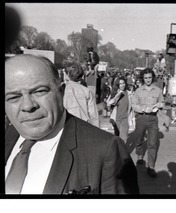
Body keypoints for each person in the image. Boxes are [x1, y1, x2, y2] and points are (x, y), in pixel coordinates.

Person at [5, 54, 139, 194]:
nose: (27, 105)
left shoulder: (106, 150)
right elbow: (94, 116)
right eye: (14, 97)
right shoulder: (9, 135)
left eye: (39, 91)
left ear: (61, 92)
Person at [131, 68, 164, 177]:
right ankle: (140, 155)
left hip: (153, 119)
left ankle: (151, 167)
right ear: (142, 78)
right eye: (145, 78)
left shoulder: (158, 90)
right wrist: (144, 109)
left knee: (152, 143)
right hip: (141, 117)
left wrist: (160, 105)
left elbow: (162, 102)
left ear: (152, 77)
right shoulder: (138, 91)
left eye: (149, 77)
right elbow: (134, 105)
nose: (148, 80)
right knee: (139, 138)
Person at [63, 62, 100, 128]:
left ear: (68, 74)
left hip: (66, 127)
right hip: (83, 127)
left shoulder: (62, 90)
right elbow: (94, 116)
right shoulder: (86, 91)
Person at [107, 77, 134, 143]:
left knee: (123, 139)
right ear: (117, 85)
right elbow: (108, 106)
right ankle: (118, 152)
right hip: (116, 120)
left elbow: (133, 106)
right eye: (120, 84)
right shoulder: (114, 93)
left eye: (123, 83)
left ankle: (122, 152)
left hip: (125, 119)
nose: (122, 85)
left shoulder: (129, 94)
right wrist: (117, 96)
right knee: (117, 138)